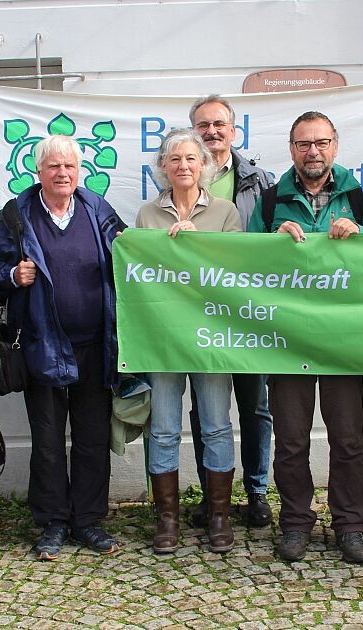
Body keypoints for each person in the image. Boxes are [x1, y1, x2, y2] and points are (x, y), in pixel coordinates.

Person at [0, 135, 125, 561]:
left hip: (95, 343)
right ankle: (53, 522)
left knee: (92, 436)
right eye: (53, 167)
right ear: (38, 172)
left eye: (69, 167)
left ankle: (88, 520)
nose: (62, 173)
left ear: (79, 172)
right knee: (46, 439)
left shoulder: (97, 208)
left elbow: (130, 251)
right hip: (41, 343)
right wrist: (11, 275)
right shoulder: (16, 215)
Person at [247, 111, 363, 564]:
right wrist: (269, 238)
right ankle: (296, 524)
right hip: (287, 340)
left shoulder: (358, 198)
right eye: (304, 144)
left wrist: (361, 234)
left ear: (335, 146)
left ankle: (350, 526)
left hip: (341, 341)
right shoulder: (269, 201)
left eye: (320, 143)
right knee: (291, 441)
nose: (313, 151)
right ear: (292, 150)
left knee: (347, 439)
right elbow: (243, 265)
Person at [137, 128, 240, 554]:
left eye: (191, 159)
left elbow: (239, 273)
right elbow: (138, 271)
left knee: (215, 425)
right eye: (174, 159)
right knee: (162, 429)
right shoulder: (146, 215)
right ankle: (167, 518)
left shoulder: (225, 212)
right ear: (163, 167)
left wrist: (196, 244)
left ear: (205, 166)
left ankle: (218, 514)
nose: (183, 166)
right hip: (164, 337)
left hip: (212, 336)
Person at [186, 95, 275, 528]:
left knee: (255, 406)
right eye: (203, 124)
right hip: (199, 318)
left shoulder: (260, 182)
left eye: (219, 123)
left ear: (234, 131)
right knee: (205, 409)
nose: (211, 131)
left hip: (249, 315)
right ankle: (212, 492)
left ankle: (257, 492)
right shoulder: (178, 181)